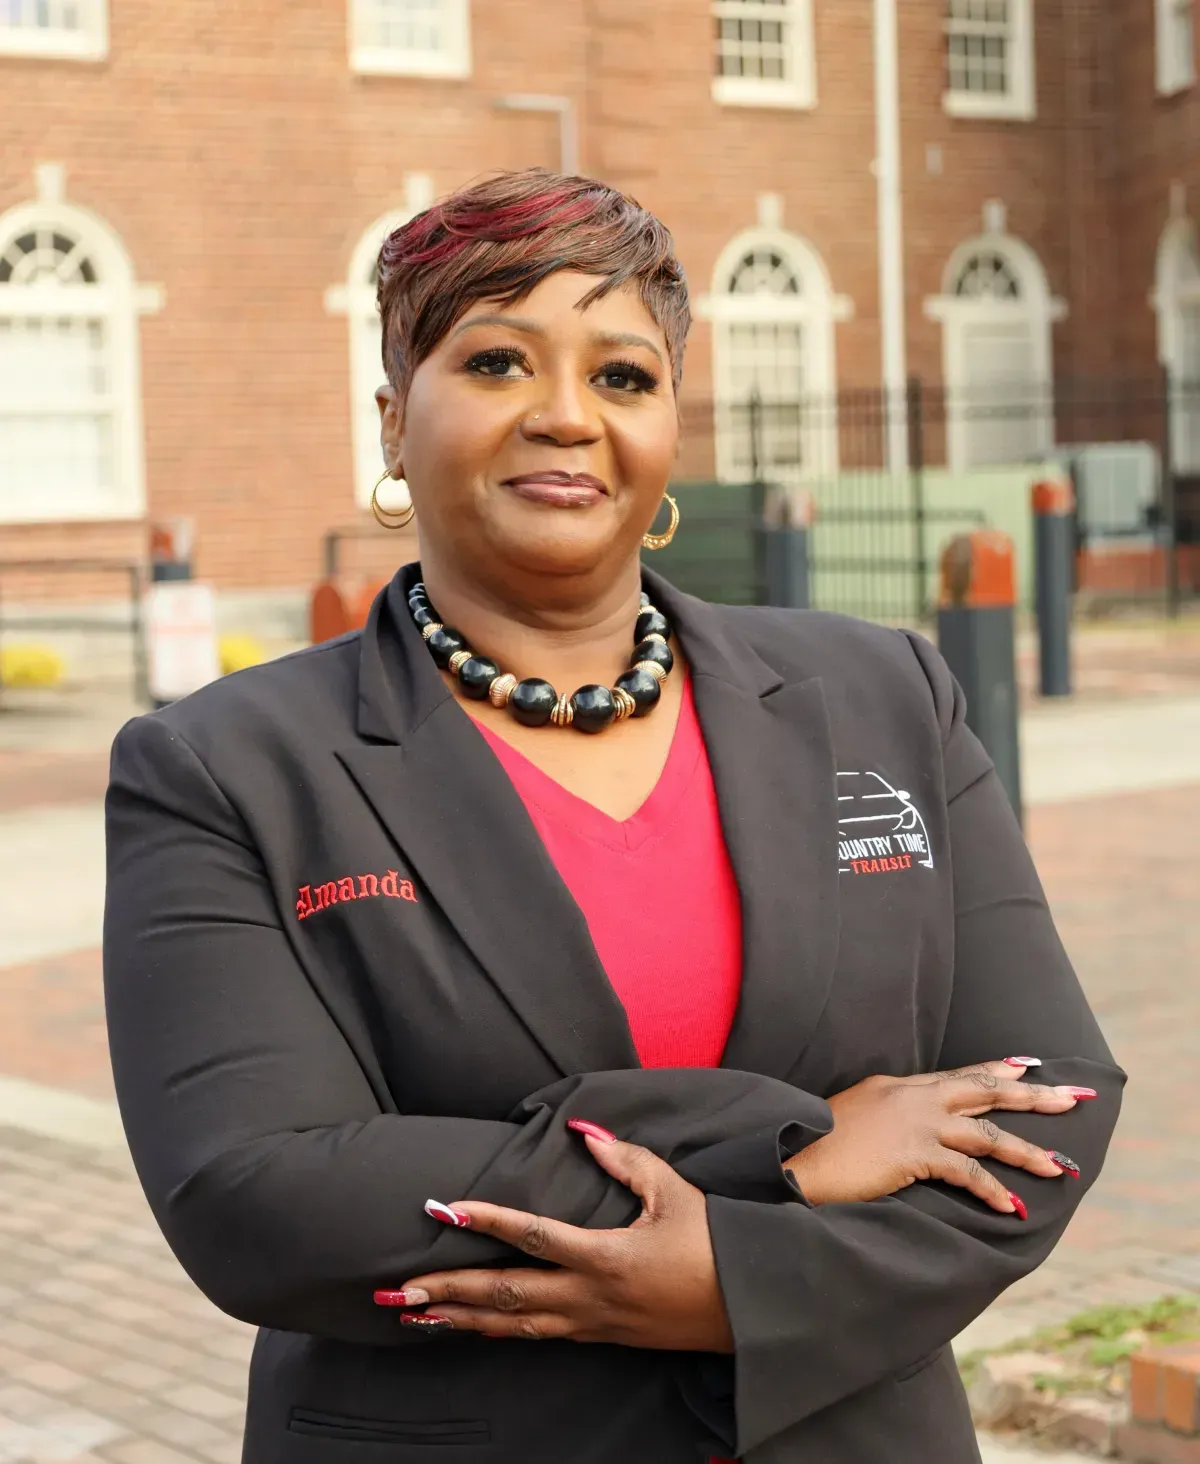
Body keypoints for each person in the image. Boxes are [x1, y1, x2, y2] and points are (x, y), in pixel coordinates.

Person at [103, 169, 1123, 1464]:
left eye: (624, 377)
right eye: (496, 362)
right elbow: (258, 1190)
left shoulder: (884, 696)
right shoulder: (226, 769)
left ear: (671, 426)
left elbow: (1044, 1096)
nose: (567, 417)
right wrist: (797, 1157)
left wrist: (732, 1286)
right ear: (391, 421)